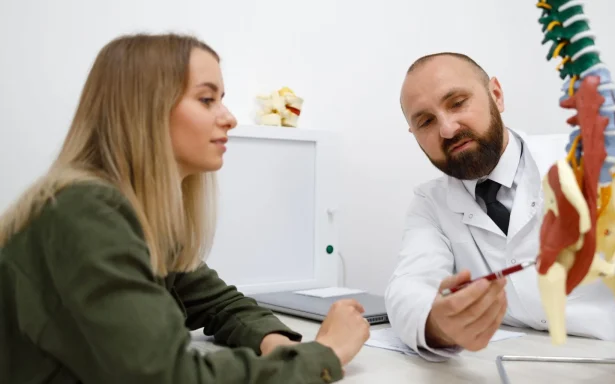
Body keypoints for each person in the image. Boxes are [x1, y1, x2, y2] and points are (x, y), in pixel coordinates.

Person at [0, 33, 369, 384]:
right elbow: (168, 376)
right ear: (143, 110)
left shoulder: (141, 218)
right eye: (207, 100)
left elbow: (221, 304)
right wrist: (323, 354)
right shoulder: (86, 213)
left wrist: (276, 342)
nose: (229, 118)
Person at [384, 52, 615, 361]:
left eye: (457, 102)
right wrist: (438, 325)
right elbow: (407, 288)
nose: (447, 128)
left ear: (496, 95)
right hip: (531, 370)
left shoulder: (597, 158)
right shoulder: (431, 202)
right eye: (426, 121)